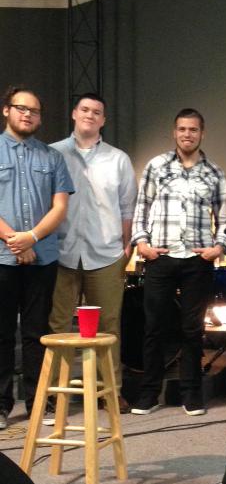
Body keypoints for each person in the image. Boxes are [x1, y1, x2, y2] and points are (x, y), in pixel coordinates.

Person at [130, 108, 226, 416]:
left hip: (196, 261)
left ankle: (191, 392)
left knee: (192, 329)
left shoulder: (214, 172)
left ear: (202, 133)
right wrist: (142, 244)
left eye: (194, 129)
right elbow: (141, 207)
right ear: (174, 133)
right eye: (182, 129)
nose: (188, 134)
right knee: (154, 327)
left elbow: (224, 216)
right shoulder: (156, 167)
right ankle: (149, 393)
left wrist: (218, 246)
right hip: (160, 257)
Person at [49, 93, 137, 414]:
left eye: (97, 112)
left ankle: (110, 392)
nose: (90, 115)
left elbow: (127, 207)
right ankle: (54, 395)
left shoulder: (119, 160)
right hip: (62, 252)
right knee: (58, 325)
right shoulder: (54, 154)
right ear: (74, 114)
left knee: (108, 326)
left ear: (103, 120)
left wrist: (126, 246)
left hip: (106, 254)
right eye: (84, 109)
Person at [0, 87, 73, 430]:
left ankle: (36, 403)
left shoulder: (52, 158)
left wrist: (31, 238)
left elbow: (60, 207)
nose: (27, 114)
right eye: (21, 108)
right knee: (1, 334)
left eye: (34, 111)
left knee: (36, 333)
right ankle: (1, 406)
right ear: (6, 111)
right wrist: (15, 240)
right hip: (1, 257)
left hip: (42, 258)